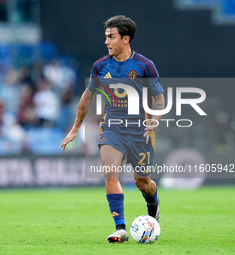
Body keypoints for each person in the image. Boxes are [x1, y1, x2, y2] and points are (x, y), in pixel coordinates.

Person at [61, 15, 165, 243]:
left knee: (143, 183)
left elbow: (159, 100)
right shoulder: (100, 66)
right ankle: (120, 228)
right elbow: (87, 97)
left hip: (141, 131)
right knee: (110, 173)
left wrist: (154, 120)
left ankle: (153, 204)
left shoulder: (144, 65)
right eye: (106, 37)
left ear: (125, 39)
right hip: (112, 128)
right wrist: (75, 128)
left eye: (111, 37)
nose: (106, 41)